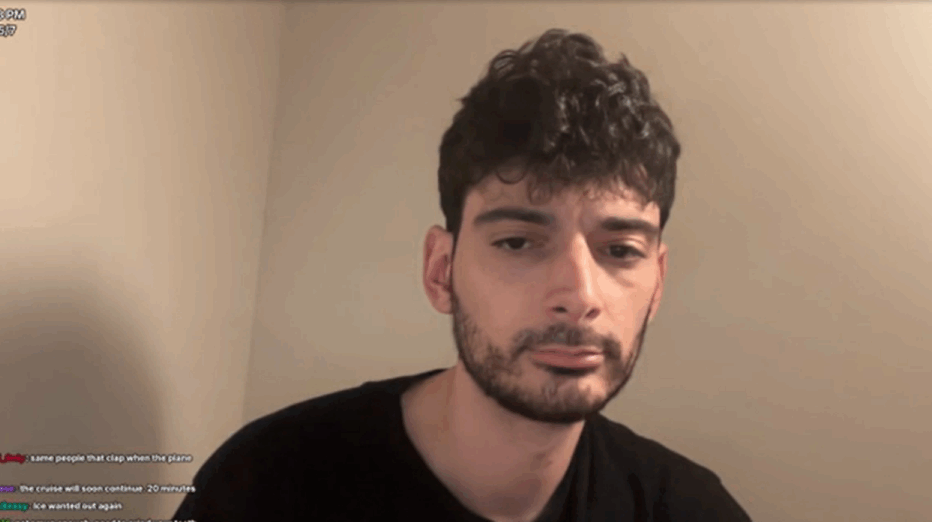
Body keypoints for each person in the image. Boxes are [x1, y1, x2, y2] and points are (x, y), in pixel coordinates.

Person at [172, 28, 753, 521]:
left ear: (658, 283)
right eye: (519, 241)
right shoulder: (265, 485)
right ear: (441, 271)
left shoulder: (692, 509)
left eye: (621, 250)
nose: (579, 296)